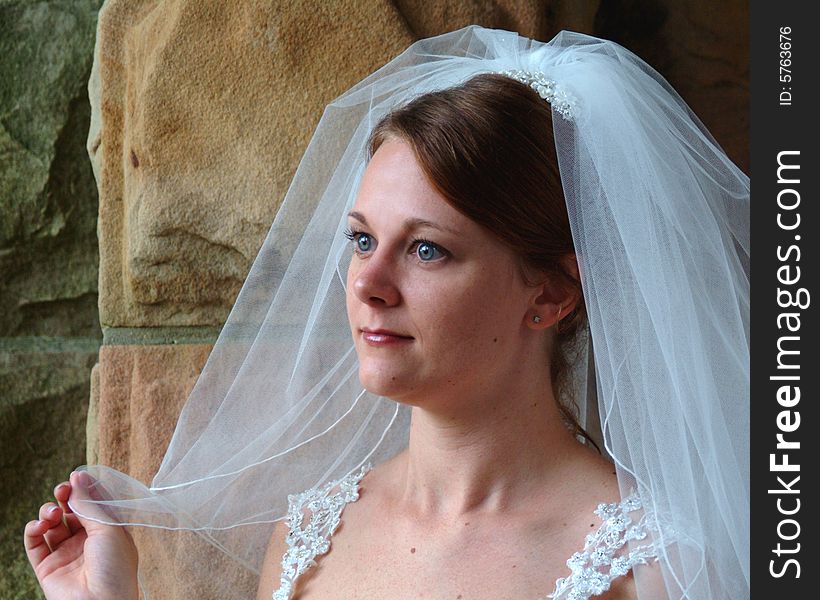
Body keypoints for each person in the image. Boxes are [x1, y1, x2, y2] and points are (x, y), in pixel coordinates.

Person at [24, 26, 749, 599]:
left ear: (552, 293)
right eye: (362, 239)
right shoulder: (309, 535)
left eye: (427, 250)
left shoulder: (660, 568)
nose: (368, 282)